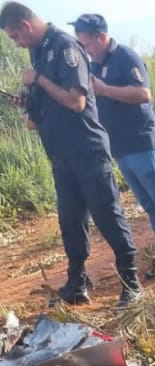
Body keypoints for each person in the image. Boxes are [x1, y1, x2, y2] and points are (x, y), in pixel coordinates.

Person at [0, 2, 141, 305]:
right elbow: (42, 109)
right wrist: (28, 99)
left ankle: (131, 281)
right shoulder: (37, 51)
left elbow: (76, 102)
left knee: (107, 214)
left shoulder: (66, 47)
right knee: (70, 220)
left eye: (15, 36)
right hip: (60, 154)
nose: (17, 43)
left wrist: (38, 80)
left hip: (86, 149)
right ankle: (77, 282)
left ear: (25, 26)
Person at [70, 13, 155, 278]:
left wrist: (105, 90)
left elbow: (143, 94)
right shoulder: (94, 67)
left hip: (144, 144)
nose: (86, 50)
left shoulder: (125, 58)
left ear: (101, 37)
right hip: (122, 148)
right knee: (150, 205)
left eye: (87, 44)